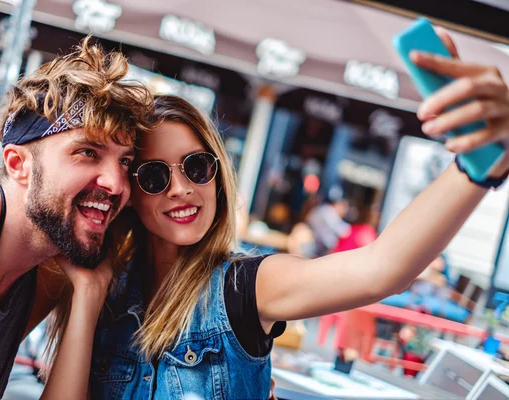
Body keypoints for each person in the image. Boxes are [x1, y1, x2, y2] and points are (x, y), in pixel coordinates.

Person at [41, 29, 509, 399]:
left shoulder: (244, 286)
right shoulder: (104, 286)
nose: (182, 188)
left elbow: (381, 269)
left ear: (217, 176)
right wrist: (87, 293)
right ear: (132, 193)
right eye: (155, 177)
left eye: (197, 166)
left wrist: (475, 167)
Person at [0, 37, 154, 399]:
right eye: (87, 152)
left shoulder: (47, 267)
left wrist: (88, 293)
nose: (116, 184)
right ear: (17, 164)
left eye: (125, 162)